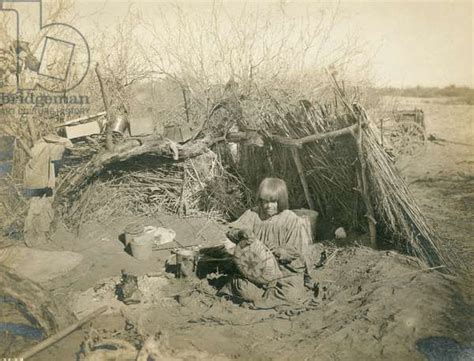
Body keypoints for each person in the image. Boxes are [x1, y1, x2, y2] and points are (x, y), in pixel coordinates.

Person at [220, 177, 313, 307]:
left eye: (273, 201)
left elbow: (296, 250)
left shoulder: (291, 219)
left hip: (284, 272)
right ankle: (264, 294)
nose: (268, 206)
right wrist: (242, 233)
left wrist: (280, 251)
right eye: (265, 201)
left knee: (292, 294)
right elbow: (232, 231)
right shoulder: (253, 214)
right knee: (242, 288)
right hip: (257, 271)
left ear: (281, 201)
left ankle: (266, 295)